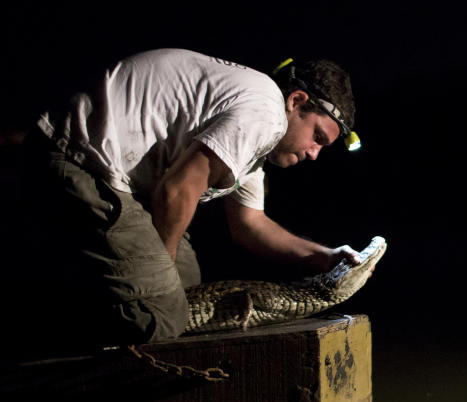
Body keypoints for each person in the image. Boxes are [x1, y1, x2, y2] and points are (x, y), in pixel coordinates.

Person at [13, 48, 363, 353]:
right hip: (78, 155)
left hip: (118, 178)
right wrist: (160, 277)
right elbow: (177, 190)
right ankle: (41, 340)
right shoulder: (266, 111)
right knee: (163, 310)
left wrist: (325, 257)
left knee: (188, 286)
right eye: (317, 137)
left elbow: (249, 225)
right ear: (297, 101)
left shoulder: (256, 146)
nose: (315, 154)